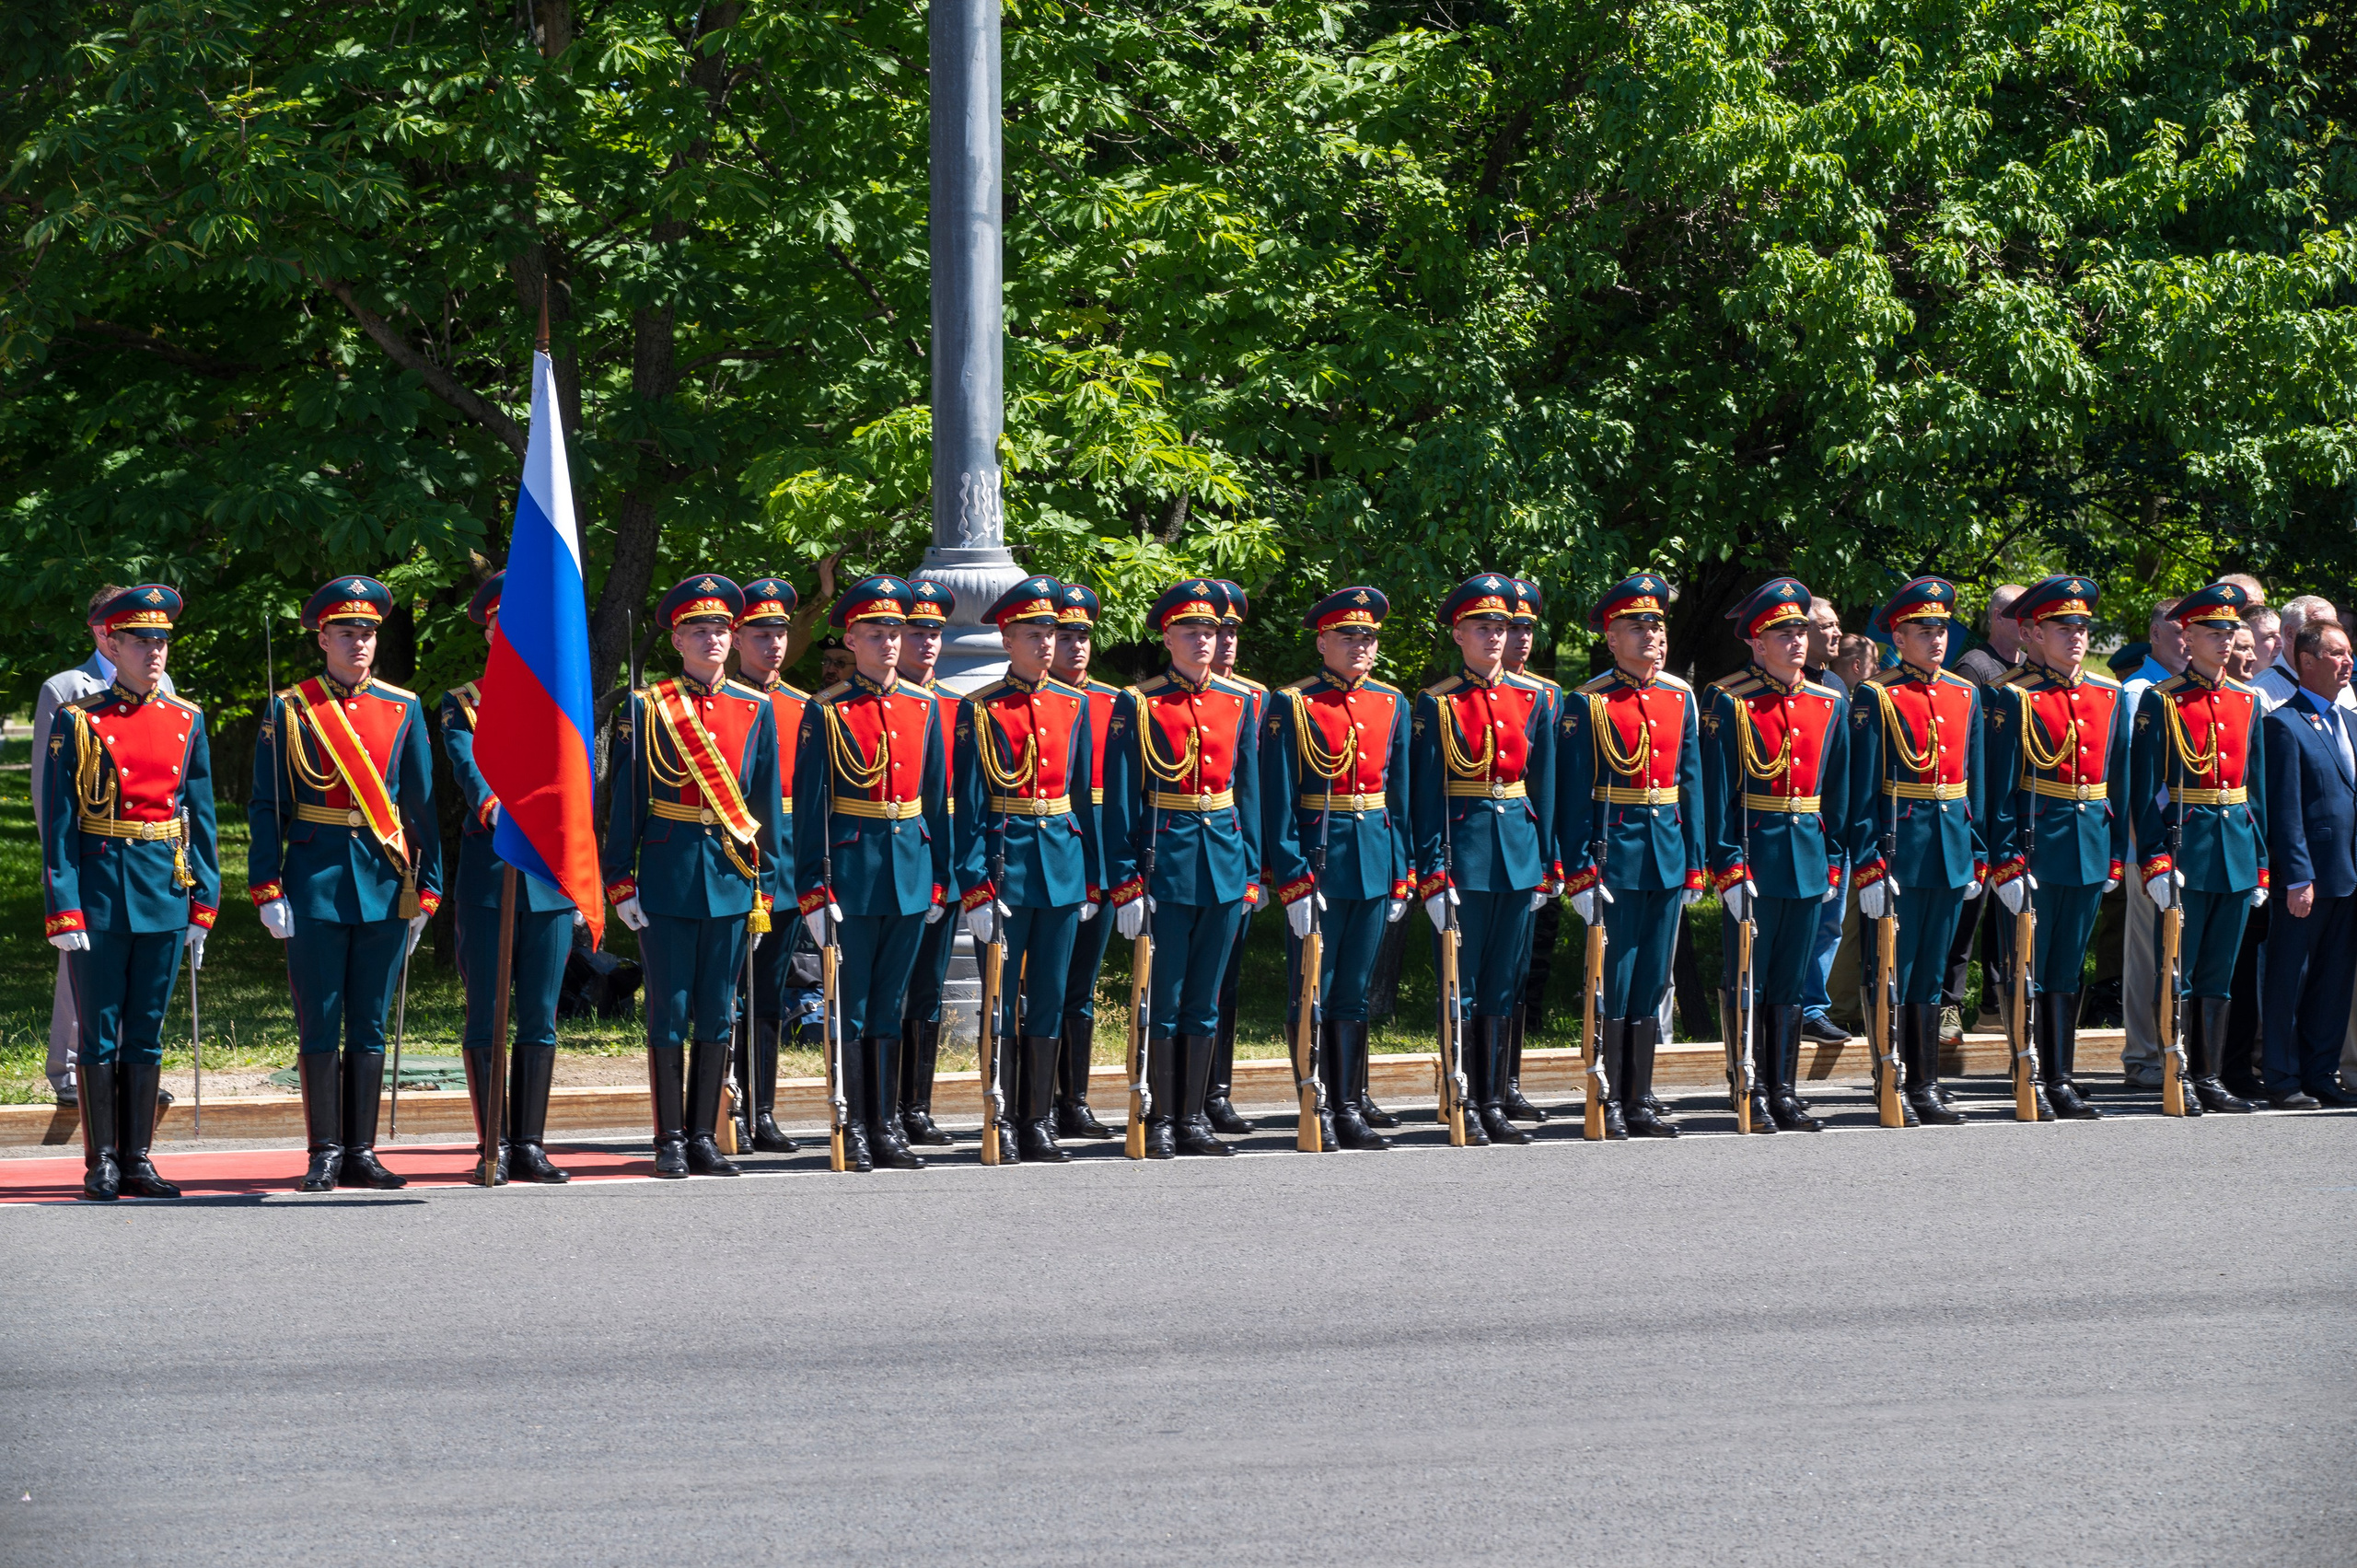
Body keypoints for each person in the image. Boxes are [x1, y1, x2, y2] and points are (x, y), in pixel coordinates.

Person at [250, 575, 445, 1191]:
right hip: (315, 880)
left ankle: (361, 1150)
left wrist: (429, 889)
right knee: (320, 1020)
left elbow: (421, 807)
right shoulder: (290, 708)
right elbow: (267, 805)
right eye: (346, 632)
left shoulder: (402, 706)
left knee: (369, 1023)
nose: (359, 642)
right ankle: (325, 1151)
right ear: (322, 639)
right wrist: (267, 886)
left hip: (385, 882)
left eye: (367, 632)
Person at [603, 574, 786, 1179]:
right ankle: (670, 1139)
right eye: (698, 629)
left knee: (718, 1012)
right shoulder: (646, 706)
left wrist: (764, 889)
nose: (712, 639)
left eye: (721, 629)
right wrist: (620, 880)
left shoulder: (755, 708)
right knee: (669, 1010)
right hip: (667, 874)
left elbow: (765, 809)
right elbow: (626, 800)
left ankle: (704, 1135)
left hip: (731, 879)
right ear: (677, 639)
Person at [41, 585, 218, 1202]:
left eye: (162, 640)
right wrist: (64, 906)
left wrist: (204, 901)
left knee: (146, 1030)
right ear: (112, 645)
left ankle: (138, 1158)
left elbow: (202, 817)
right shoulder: (79, 719)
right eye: (141, 640)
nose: (155, 651)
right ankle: (102, 1162)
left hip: (164, 888)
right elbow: (60, 822)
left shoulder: (187, 718)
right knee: (99, 1033)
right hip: (101, 891)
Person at [793, 575, 953, 1172]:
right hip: (852, 875)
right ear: (851, 639)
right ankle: (854, 1124)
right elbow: (810, 810)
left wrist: (938, 879)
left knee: (891, 1005)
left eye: (894, 631)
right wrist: (813, 891)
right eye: (876, 632)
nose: (889, 642)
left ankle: (886, 1126)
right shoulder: (827, 709)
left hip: (909, 872)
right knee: (852, 1007)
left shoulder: (923, 706)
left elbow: (935, 801)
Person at [1105, 579, 1263, 1158]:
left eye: (1210, 632)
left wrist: (1251, 873)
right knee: (1164, 999)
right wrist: (1126, 883)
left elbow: (1249, 794)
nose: (1203, 641)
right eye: (1190, 631)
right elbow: (1121, 800)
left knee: (1205, 1000)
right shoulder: (1140, 703)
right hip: (1165, 865)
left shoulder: (1237, 701)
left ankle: (1194, 1117)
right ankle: (1161, 1118)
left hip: (1223, 864)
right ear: (1168, 638)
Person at [954, 576, 1102, 1162]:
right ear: (1006, 640)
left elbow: (1084, 799)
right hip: (1007, 868)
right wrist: (976, 887)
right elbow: (969, 807)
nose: (1046, 643)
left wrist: (1090, 878)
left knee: (1048, 996)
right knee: (1000, 1001)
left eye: (1050, 632)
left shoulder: (1074, 705)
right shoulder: (981, 708)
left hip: (1061, 865)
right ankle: (1003, 1117)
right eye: (1032, 634)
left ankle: (1038, 1120)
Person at [1261, 586, 1413, 1151]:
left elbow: (1399, 798)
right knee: (1312, 989)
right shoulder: (1294, 703)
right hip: (1319, 864)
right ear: (1322, 641)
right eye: (1347, 635)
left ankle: (1349, 1107)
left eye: (1368, 636)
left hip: (1373, 858)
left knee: (1353, 991)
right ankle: (1315, 1103)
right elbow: (1277, 800)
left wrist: (1401, 873)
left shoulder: (1391, 703)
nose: (1360, 645)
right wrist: (1293, 879)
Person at [1555, 573, 1703, 1139]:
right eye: (1637, 627)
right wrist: (1580, 872)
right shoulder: (1589, 701)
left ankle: (1640, 1096)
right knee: (1613, 980)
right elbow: (1573, 796)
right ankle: (1609, 1095)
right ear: (1611, 638)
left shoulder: (1679, 696)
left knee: (1651, 981)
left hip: (1666, 853)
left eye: (1657, 626)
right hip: (1614, 856)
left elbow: (1691, 785)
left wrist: (1695, 863)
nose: (1652, 637)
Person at [1412, 574, 1557, 1146]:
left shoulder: (1533, 697)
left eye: (1501, 626)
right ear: (1458, 634)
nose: (1495, 635)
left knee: (1502, 985)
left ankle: (1494, 1102)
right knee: (1462, 986)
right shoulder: (1438, 701)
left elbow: (1543, 787)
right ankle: (1463, 1099)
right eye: (1482, 627)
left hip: (1518, 854)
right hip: (1464, 856)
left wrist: (1545, 865)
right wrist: (1432, 873)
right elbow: (1425, 797)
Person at [442, 571, 576, 1184]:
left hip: (547, 874)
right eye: (505, 623)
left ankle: (530, 1143)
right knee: (487, 1011)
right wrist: (497, 806)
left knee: (540, 1014)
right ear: (491, 631)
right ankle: (491, 1142)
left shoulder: (562, 698)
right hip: (491, 869)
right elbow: (468, 769)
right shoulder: (463, 702)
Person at [1703, 576, 1851, 1132]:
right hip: (1756, 858)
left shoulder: (1827, 701)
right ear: (1756, 642)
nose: (1796, 642)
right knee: (1751, 978)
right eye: (1782, 634)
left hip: (1807, 856)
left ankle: (1784, 1091)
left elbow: (1836, 791)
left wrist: (1833, 858)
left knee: (1790, 981)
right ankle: (1749, 1085)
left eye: (1799, 631)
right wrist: (1728, 865)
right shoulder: (1730, 699)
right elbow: (1716, 793)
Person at [1984, 575, 2130, 1121]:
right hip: (2037, 847)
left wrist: (2115, 853)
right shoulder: (2012, 694)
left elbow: (2118, 782)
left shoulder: (2107, 694)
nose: (2076, 636)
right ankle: (2028, 1072)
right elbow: (1997, 788)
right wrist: (2005, 859)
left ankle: (2061, 1076)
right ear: (2034, 633)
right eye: (2063, 627)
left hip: (2088, 844)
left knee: (2068, 966)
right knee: (2030, 965)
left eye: (2082, 626)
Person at [31, 586, 178, 1108]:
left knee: (142, 983)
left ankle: (132, 1073)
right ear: (102, 632)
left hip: (149, 858)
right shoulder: (66, 688)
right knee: (83, 976)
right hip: (92, 854)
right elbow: (49, 788)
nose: (151, 647)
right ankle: (70, 1067)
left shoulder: (162, 682)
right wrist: (61, 870)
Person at [1848, 577, 1987, 1125]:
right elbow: (1861, 792)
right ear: (1898, 638)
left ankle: (1927, 1082)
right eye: (1924, 631)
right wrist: (1869, 864)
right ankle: (1891, 1077)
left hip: (1950, 851)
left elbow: (1974, 784)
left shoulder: (1963, 693)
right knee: (1894, 971)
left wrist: (1976, 854)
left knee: (1932, 973)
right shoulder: (1877, 695)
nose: (1936, 639)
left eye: (1942, 629)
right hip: (1901, 852)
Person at [2130, 582, 2269, 1114]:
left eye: (2230, 631)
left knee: (2219, 974)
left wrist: (2260, 863)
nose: (2225, 641)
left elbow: (2255, 791)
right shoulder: (2163, 700)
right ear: (2188, 636)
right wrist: (2156, 859)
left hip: (2235, 850)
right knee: (2178, 971)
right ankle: (2177, 1072)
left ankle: (2209, 1077)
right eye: (2214, 631)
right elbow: (2144, 789)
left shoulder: (2246, 701)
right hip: (2187, 849)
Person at [2259, 620, 2357, 1107]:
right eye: (2337, 653)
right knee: (2289, 980)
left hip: (2349, 876)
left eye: (2349, 653)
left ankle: (2321, 1074)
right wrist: (2298, 875)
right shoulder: (2283, 724)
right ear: (2306, 661)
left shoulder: (2352, 722)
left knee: (2333, 983)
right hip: (2309, 879)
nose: (2348, 662)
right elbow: (2285, 810)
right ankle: (2282, 1076)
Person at [730, 575, 810, 1155]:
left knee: (768, 998)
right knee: (727, 998)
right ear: (737, 639)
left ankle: (762, 1109)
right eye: (761, 634)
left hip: (782, 872)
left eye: (779, 634)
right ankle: (725, 1106)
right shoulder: (716, 703)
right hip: (729, 864)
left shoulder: (803, 709)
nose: (773, 645)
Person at [1050, 581, 1121, 1139]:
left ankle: (1074, 1099)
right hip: (1051, 858)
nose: (1076, 647)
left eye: (1083, 637)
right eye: (1065, 636)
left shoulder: (1114, 702)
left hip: (1101, 855)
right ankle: (1033, 1102)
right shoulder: (1034, 700)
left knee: (1081, 986)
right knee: (1036, 988)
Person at [1941, 584, 2026, 1045]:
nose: (2028, 622)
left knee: (2007, 913)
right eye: (2018, 614)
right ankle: (1948, 1006)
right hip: (1978, 807)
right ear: (1996, 618)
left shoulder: (2028, 667)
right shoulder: (1974, 667)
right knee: (1967, 913)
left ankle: (1995, 1005)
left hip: (2012, 806)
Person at [894, 580, 961, 1149]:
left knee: (926, 992)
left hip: (943, 869)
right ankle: (879, 1106)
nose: (927, 643)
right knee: (883, 994)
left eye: (935, 633)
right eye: (916, 632)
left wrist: (955, 875)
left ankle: (916, 1105)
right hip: (888, 867)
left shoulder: (958, 709)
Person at [1204, 578, 1269, 1135]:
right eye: (1215, 631)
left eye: (1231, 631)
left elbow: (1258, 789)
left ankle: (1217, 1090)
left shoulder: (1253, 698)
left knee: (1227, 982)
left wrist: (1258, 867)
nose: (1225, 641)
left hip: (1234, 857)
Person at [1501, 576, 1564, 1119]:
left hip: (1531, 848)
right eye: (1512, 627)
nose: (1522, 638)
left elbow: (1551, 784)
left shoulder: (1546, 693)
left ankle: (1510, 1079)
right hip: (1488, 849)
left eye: (1528, 628)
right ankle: (1482, 1083)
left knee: (1523, 970)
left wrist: (1553, 857)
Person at [2119, 597, 2187, 1089]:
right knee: (2147, 951)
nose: (2187, 640)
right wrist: (2147, 848)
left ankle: (2176, 1048)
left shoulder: (2192, 690)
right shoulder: (2138, 692)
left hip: (2193, 837)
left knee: (2180, 951)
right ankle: (2143, 1053)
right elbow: (2133, 777)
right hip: (2149, 837)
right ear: (2155, 635)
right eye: (2178, 631)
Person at [1797, 597, 1854, 1046]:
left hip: (1832, 820)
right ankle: (1780, 1003)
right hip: (1793, 820)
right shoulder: (1787, 682)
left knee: (1829, 920)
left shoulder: (1836, 683)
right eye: (1826, 626)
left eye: (1837, 625)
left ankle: (1812, 1008)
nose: (1836, 633)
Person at [2255, 597, 2349, 712]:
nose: (2331, 638)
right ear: (2290, 634)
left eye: (2334, 629)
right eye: (2318, 632)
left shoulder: (2341, 682)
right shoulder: (2259, 694)